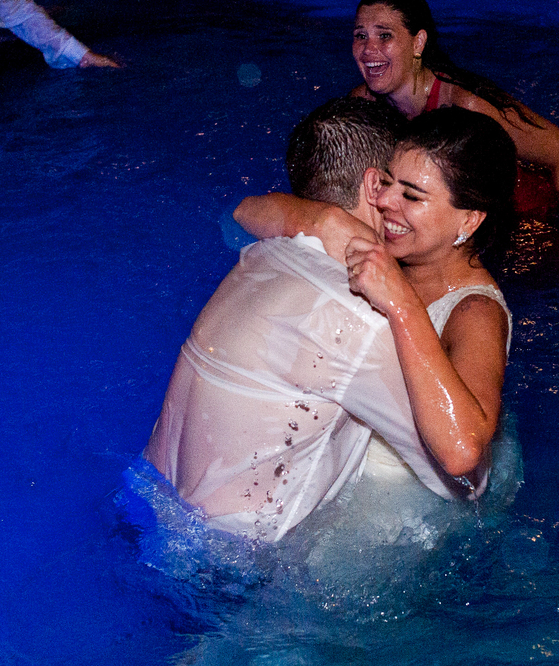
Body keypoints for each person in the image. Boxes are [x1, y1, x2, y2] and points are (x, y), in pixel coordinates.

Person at [142, 98, 479, 543]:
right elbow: (456, 475)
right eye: (395, 185)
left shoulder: (258, 256)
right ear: (373, 185)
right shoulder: (357, 318)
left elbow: (236, 214)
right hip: (229, 573)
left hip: (143, 507)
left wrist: (322, 218)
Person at [235, 106, 517, 498]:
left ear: (469, 221)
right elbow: (244, 212)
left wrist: (402, 304)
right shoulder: (390, 253)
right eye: (387, 183)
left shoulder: (475, 313)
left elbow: (462, 452)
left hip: (399, 520)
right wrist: (330, 222)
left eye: (411, 195)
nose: (385, 202)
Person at [349, 0, 559, 218]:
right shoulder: (361, 104)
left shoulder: (466, 104)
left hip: (528, 210)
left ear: (418, 42)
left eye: (384, 35)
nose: (368, 49)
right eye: (361, 35)